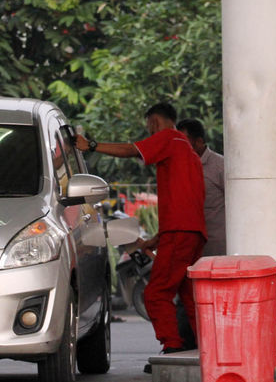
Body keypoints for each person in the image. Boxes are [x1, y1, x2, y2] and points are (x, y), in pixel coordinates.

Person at [75, 103, 207, 363]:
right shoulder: (188, 151)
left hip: (180, 233)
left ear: (154, 121)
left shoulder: (169, 137)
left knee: (156, 293)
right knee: (190, 297)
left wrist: (90, 146)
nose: (148, 130)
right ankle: (206, 347)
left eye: (149, 125)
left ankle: (173, 349)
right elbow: (187, 203)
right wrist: (156, 240)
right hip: (191, 233)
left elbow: (131, 150)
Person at [176, 118, 226, 257]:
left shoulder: (219, 166)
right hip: (192, 244)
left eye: (183, 141)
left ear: (198, 142)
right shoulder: (181, 166)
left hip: (218, 245)